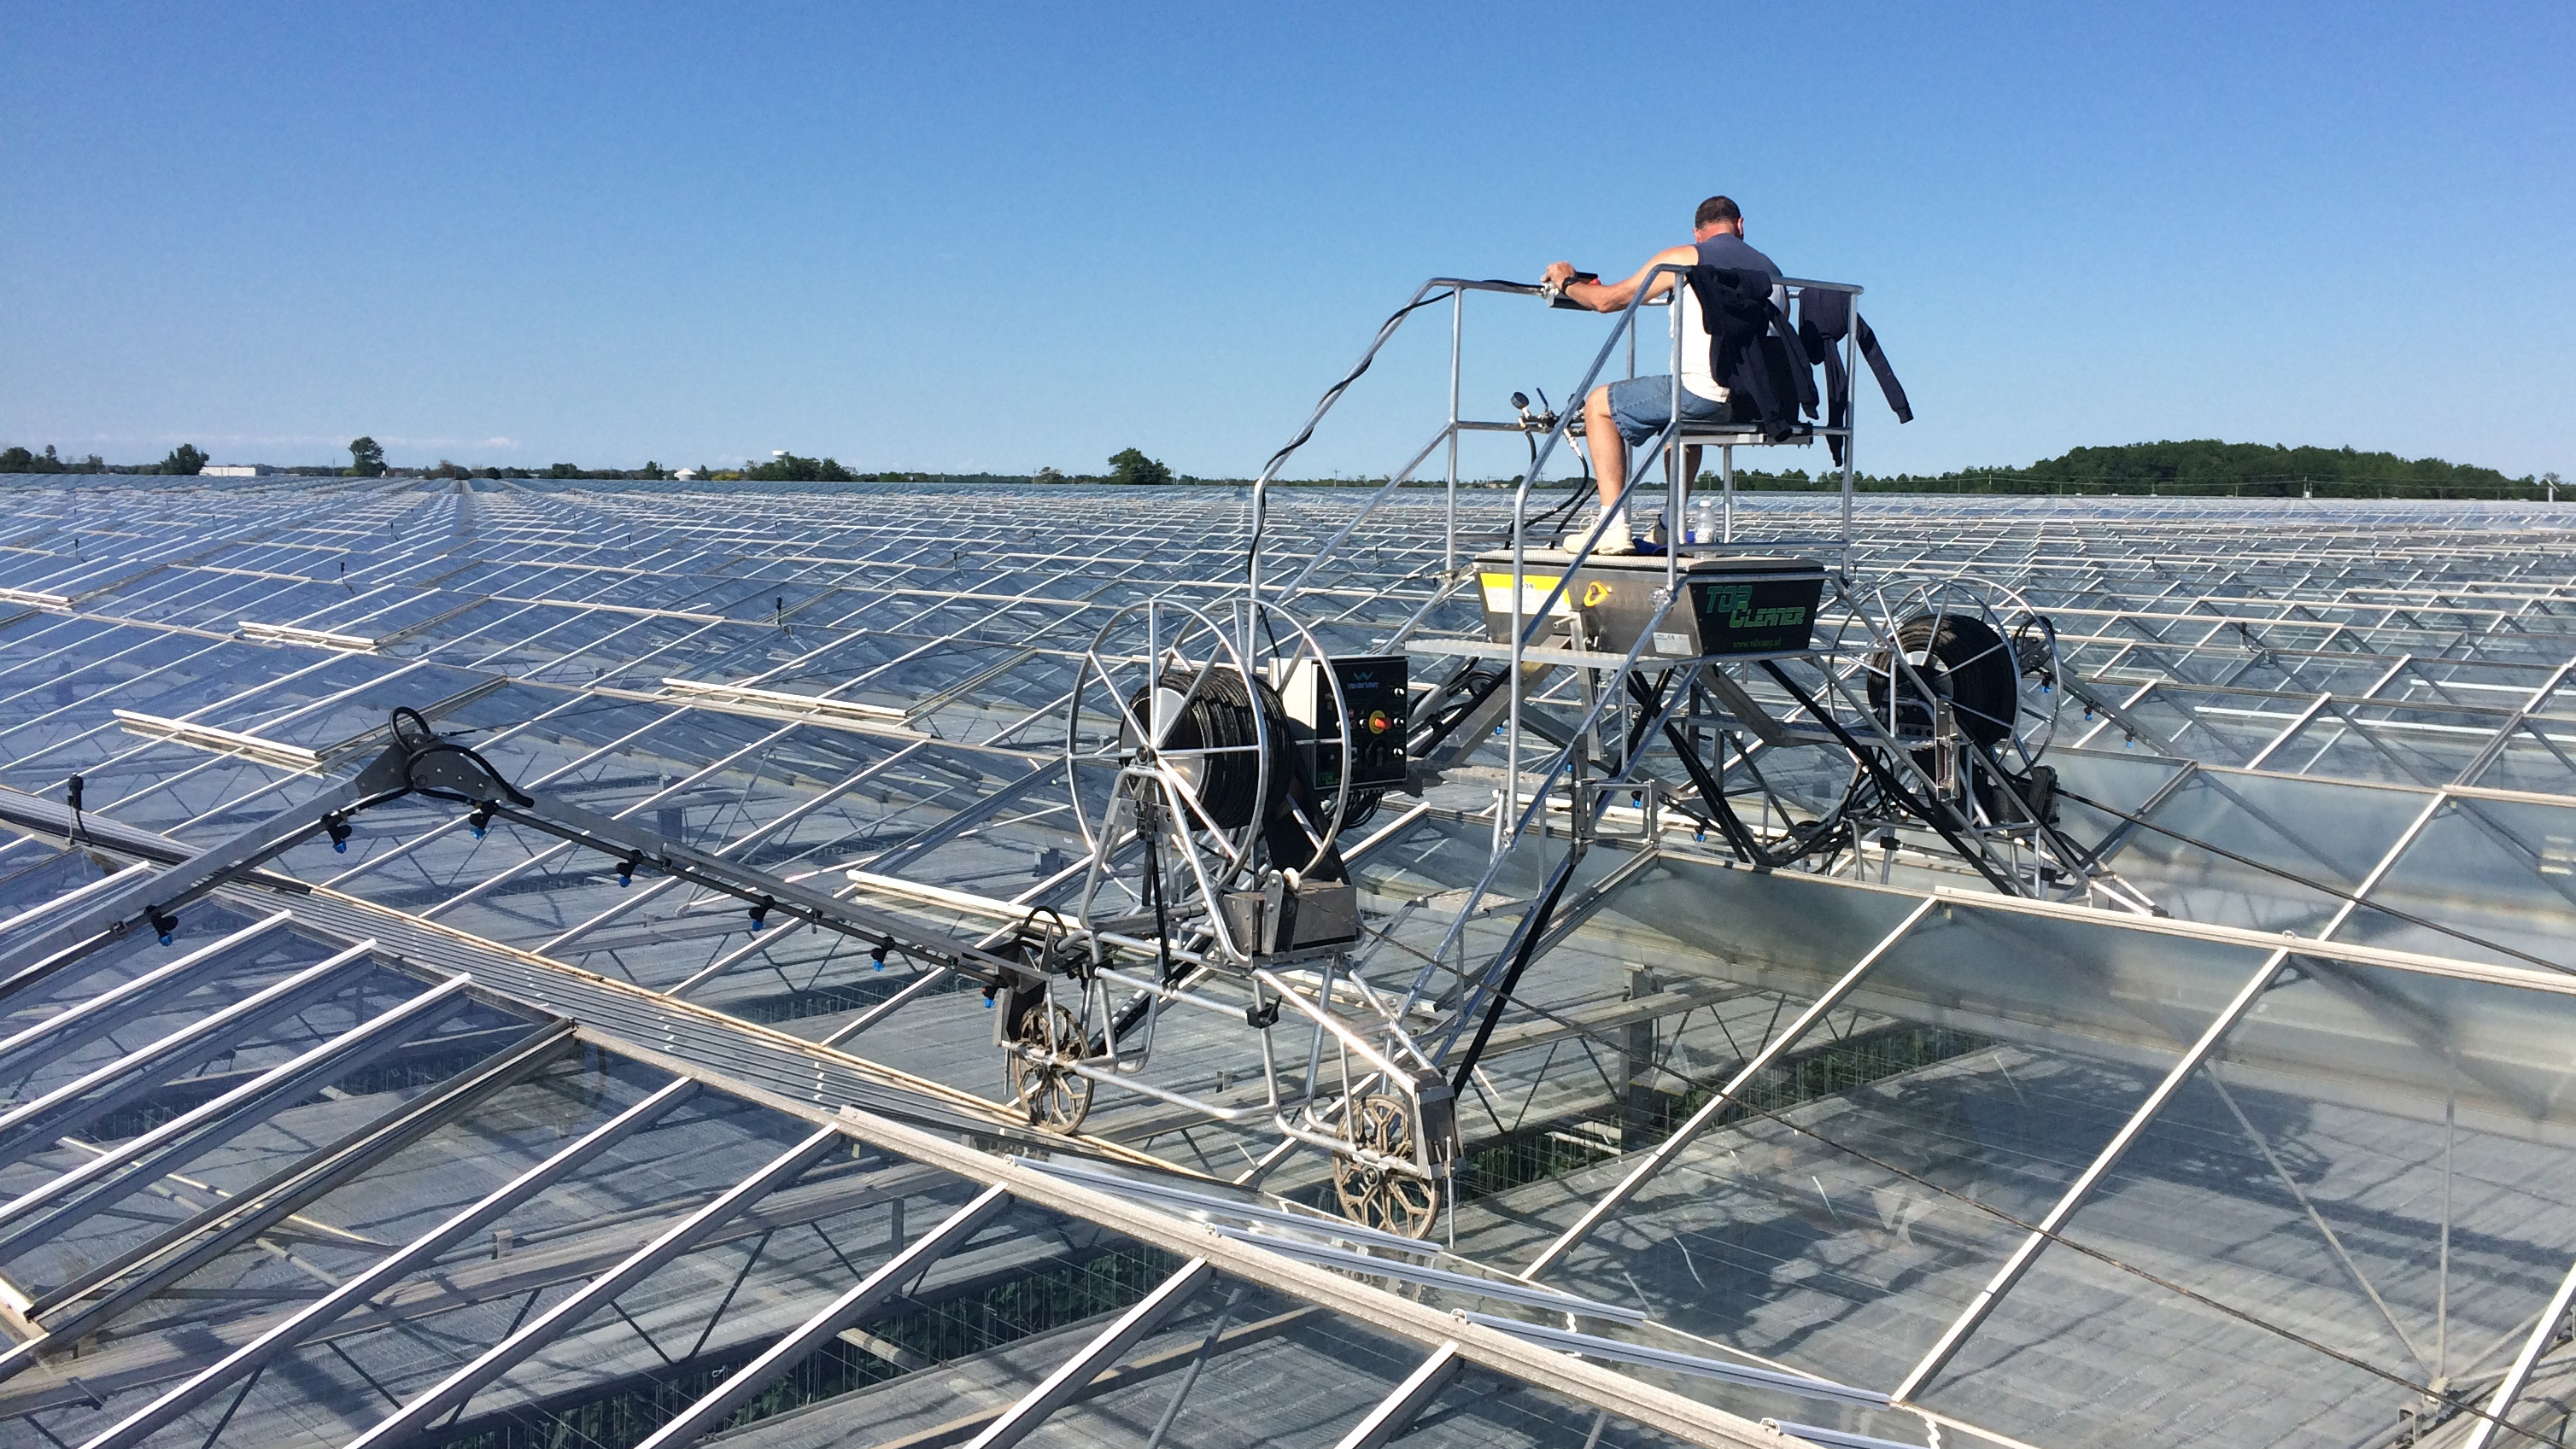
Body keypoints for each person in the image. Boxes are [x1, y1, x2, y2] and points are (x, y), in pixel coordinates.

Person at [1543, 196, 1783, 552]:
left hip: (1704, 391)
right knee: (1681, 429)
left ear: (1697, 233)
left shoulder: (1687, 258)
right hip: (1757, 402)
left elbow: (1608, 301)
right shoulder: (1770, 269)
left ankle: (1611, 524)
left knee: (1597, 405)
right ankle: (1670, 524)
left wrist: (1567, 283)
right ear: (1740, 225)